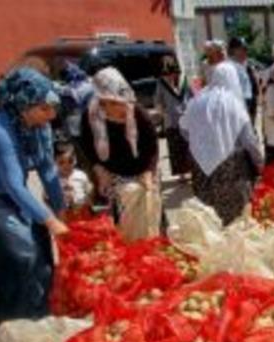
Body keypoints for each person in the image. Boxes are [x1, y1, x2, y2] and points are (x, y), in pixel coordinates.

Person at [0, 67, 69, 326]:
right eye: (44, 108)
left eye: (53, 108)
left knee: (41, 244)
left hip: (12, 191)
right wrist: (50, 220)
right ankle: (10, 316)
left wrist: (60, 209)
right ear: (23, 105)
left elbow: (47, 170)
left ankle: (40, 308)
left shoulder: (39, 127)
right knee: (21, 251)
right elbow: (12, 183)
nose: (52, 114)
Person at [180, 63, 263, 226]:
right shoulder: (235, 104)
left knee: (208, 220)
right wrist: (259, 162)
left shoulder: (197, 100)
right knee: (234, 220)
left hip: (201, 170)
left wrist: (202, 144)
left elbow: (184, 130)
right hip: (231, 170)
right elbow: (249, 140)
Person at [79, 67, 159, 224]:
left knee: (149, 214)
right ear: (103, 102)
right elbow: (87, 147)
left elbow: (152, 147)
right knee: (124, 217)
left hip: (142, 170)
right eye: (116, 103)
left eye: (123, 102)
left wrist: (149, 172)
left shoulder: (137, 113)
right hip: (111, 174)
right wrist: (99, 170)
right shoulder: (91, 117)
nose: (123, 107)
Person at [154, 55, 193, 179]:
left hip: (186, 118)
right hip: (171, 120)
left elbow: (191, 95)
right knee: (176, 148)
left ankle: (191, 170)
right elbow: (158, 101)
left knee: (188, 146)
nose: (170, 76)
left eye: (172, 73)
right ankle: (182, 174)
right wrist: (163, 113)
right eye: (167, 74)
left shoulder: (184, 80)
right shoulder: (161, 83)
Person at [228, 37, 260, 124]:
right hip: (238, 107)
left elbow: (255, 83)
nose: (245, 52)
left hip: (251, 104)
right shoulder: (229, 67)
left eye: (246, 49)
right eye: (242, 49)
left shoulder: (248, 65)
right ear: (233, 50)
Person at [55, 141, 93, 211]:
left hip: (82, 210)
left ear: (75, 159)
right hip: (64, 212)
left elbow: (89, 193)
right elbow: (46, 198)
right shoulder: (54, 179)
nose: (66, 166)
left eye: (70, 161)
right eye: (61, 162)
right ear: (54, 162)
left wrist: (88, 202)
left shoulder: (81, 175)